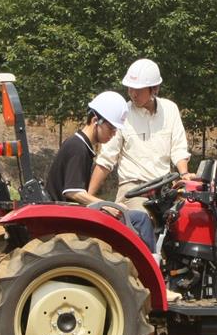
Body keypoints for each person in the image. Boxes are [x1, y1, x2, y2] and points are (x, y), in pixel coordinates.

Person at [45, 91, 156, 253]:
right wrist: (105, 206)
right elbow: (73, 192)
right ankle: (151, 268)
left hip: (71, 212)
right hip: (68, 216)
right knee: (140, 220)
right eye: (111, 128)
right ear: (96, 120)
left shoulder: (82, 145)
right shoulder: (78, 147)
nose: (114, 134)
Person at [88, 58, 191, 212]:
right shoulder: (122, 114)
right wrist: (88, 197)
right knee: (143, 219)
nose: (133, 94)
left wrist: (184, 174)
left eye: (139, 90)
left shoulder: (170, 110)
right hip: (133, 190)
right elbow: (106, 160)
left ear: (154, 89)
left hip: (163, 189)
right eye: (130, 89)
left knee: (188, 214)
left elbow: (179, 149)